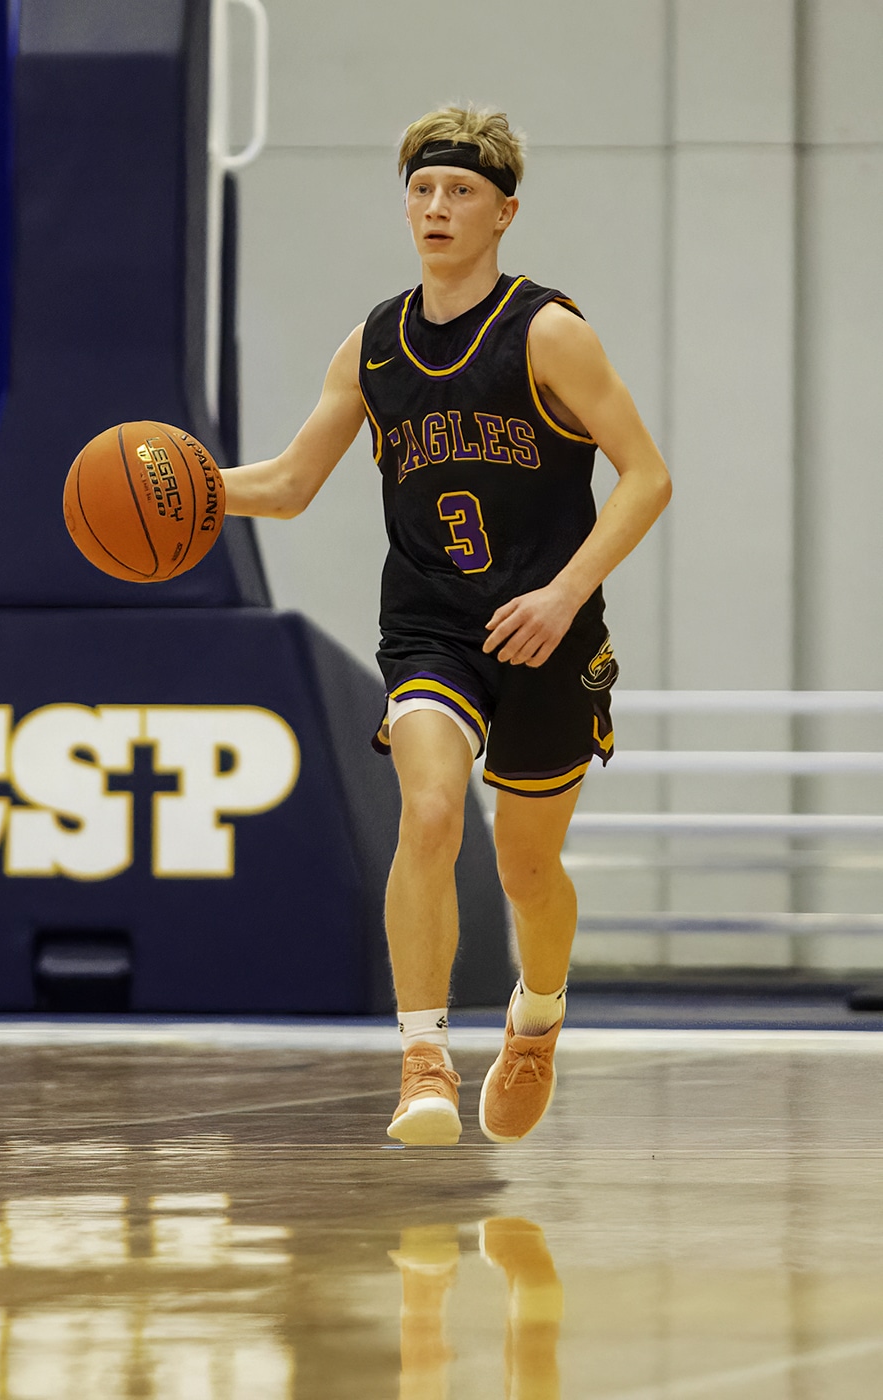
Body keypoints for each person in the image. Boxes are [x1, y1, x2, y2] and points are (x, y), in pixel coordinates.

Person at [222, 105, 671, 1147]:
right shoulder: (373, 345)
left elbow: (646, 476)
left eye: (460, 191)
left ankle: (537, 1020)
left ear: (503, 211)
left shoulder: (547, 331)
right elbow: (288, 484)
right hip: (431, 625)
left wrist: (564, 592)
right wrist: (190, 487)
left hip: (547, 627)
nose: (436, 207)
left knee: (525, 870)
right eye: (421, 190)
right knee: (428, 811)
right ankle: (423, 1057)